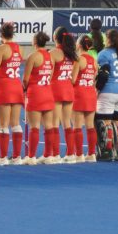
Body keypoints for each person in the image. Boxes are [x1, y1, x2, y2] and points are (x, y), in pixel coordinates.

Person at [0, 22, 25, 164]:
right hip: (16, 86)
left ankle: (3, 157)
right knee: (15, 123)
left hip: (4, 87)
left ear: (1, 34)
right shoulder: (20, 48)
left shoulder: (1, 48)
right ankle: (16, 157)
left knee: (3, 124)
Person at [22, 31, 58, 164]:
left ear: (35, 42)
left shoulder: (33, 56)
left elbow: (25, 79)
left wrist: (24, 89)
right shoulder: (50, 57)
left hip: (35, 94)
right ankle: (48, 155)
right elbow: (50, 76)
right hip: (47, 92)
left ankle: (31, 157)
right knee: (48, 126)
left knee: (34, 127)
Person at [95, 29, 118, 159]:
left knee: (105, 123)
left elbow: (104, 74)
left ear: (108, 40)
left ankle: (107, 151)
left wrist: (97, 89)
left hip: (108, 91)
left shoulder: (104, 54)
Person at [51, 29, 80, 163]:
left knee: (54, 123)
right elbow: (73, 79)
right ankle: (70, 154)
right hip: (68, 89)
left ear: (55, 38)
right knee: (67, 123)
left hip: (56, 89)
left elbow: (49, 74)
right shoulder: (73, 55)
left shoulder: (53, 53)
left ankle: (56, 154)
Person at [71, 35, 98, 163]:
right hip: (91, 94)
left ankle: (79, 154)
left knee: (77, 125)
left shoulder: (79, 59)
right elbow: (94, 78)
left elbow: (73, 80)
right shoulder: (94, 60)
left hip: (79, 94)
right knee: (90, 125)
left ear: (79, 45)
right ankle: (91, 154)